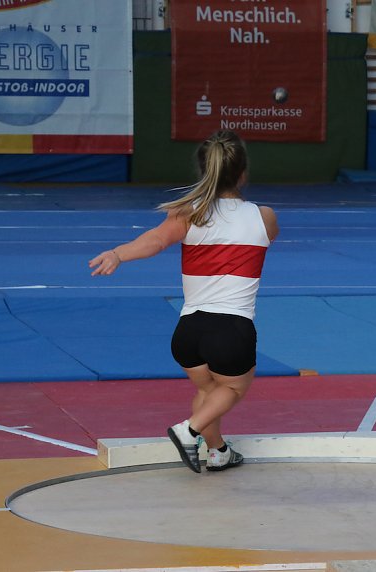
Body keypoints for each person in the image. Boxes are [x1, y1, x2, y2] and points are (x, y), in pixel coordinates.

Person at [89, 130, 279, 473]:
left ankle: (218, 450)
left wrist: (118, 254)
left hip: (188, 331)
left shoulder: (187, 214)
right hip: (231, 328)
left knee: (209, 392)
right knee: (233, 388)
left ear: (205, 172)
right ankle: (187, 430)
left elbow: (155, 241)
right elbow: (262, 236)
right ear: (243, 173)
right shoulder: (264, 216)